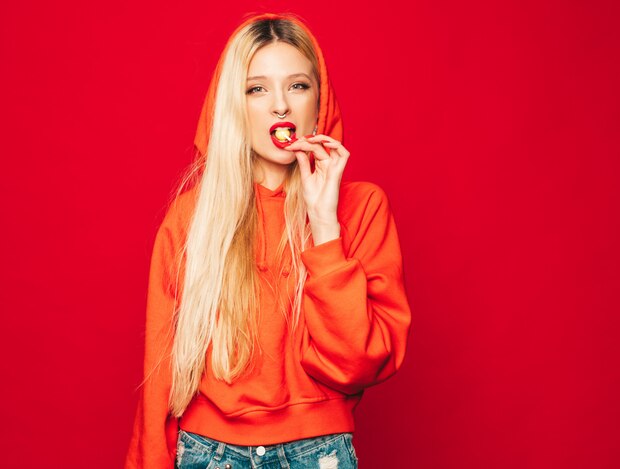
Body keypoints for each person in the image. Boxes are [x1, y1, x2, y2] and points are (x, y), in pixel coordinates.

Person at [124, 12, 412, 469]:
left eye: (297, 86)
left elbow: (358, 362)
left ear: (320, 100)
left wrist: (324, 226)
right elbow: (160, 378)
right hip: (207, 453)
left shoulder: (361, 209)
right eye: (256, 89)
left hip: (319, 453)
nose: (280, 106)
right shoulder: (192, 218)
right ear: (233, 105)